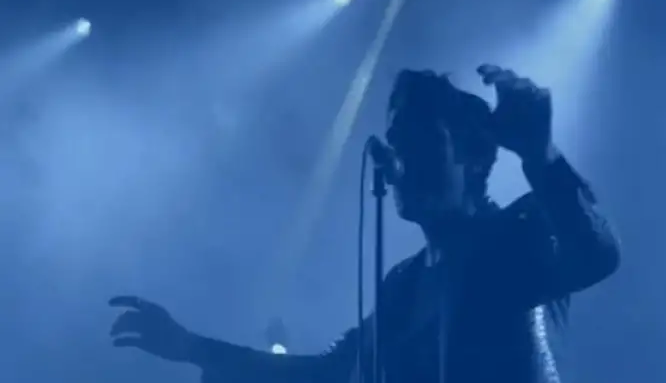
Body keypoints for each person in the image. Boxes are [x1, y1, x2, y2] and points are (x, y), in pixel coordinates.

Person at [108, 64, 621, 383]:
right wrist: (192, 347)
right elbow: (329, 371)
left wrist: (540, 156)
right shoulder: (405, 282)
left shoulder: (516, 231)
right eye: (397, 142)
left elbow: (595, 254)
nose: (401, 158)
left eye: (421, 140)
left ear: (474, 158)